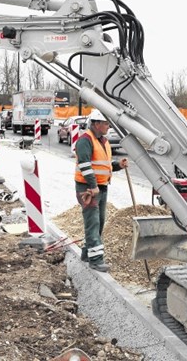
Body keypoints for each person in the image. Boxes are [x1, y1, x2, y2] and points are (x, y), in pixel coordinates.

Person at [74, 109, 128, 272]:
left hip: (101, 188)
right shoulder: (85, 140)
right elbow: (85, 165)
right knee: (93, 222)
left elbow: (104, 164)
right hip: (88, 189)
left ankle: (87, 253)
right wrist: (92, 185)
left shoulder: (103, 141)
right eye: (106, 123)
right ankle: (96, 260)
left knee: (99, 223)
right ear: (96, 124)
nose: (108, 126)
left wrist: (118, 165)